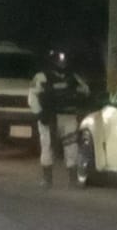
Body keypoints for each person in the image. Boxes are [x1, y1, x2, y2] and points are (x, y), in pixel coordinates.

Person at [29, 48, 90, 188]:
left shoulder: (73, 77)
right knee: (47, 146)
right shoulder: (41, 77)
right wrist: (39, 113)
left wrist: (75, 90)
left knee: (71, 146)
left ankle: (73, 180)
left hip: (68, 116)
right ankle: (47, 179)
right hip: (49, 117)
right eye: (59, 59)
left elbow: (86, 91)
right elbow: (32, 96)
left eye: (64, 59)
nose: (61, 62)